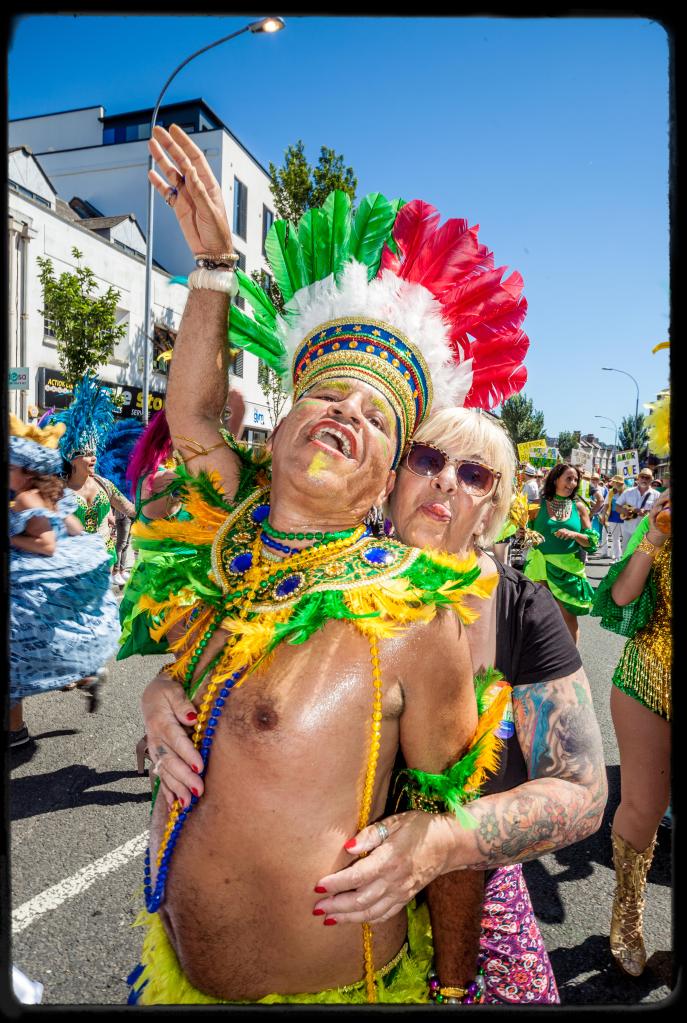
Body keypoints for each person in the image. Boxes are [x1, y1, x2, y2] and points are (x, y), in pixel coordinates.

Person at [124, 122, 531, 1005]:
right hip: (169, 978)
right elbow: (191, 421)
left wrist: (453, 990)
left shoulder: (411, 612)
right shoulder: (230, 548)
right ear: (276, 433)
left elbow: (450, 827)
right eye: (324, 396)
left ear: (384, 482)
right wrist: (213, 268)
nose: (346, 412)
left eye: (376, 418)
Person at [144, 404, 608, 1005]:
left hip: (476, 898)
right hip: (323, 925)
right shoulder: (321, 572)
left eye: (474, 475)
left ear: (492, 508)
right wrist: (167, 691)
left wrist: (443, 844)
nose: (447, 481)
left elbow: (582, 791)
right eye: (428, 460)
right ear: (391, 478)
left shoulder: (524, 611)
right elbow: (241, 686)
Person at [592, 489, 671, 975]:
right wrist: (655, 535)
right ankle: (627, 915)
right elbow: (622, 595)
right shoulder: (662, 522)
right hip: (650, 676)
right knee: (644, 806)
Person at [9, 415, 120, 741]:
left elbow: (47, 544)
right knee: (44, 646)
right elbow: (76, 529)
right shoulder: (55, 494)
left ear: (27, 471)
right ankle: (86, 676)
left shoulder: (25, 498)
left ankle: (15, 730)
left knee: (18, 655)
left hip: (31, 586)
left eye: (11, 467)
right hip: (52, 584)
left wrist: (12, 538)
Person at [523, 462, 598, 643]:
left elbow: (592, 543)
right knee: (538, 618)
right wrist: (523, 533)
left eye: (575, 480)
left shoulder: (579, 507)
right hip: (539, 568)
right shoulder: (536, 506)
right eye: (568, 478)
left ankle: (572, 657)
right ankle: (542, 655)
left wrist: (574, 535)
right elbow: (527, 534)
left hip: (567, 570)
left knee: (568, 617)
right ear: (556, 479)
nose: (572, 483)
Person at [616, 468, 660, 551]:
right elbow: (617, 507)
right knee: (626, 553)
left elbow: (659, 512)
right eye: (642, 477)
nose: (644, 479)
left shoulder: (657, 495)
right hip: (628, 530)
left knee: (641, 554)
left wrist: (648, 513)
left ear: (651, 480)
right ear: (638, 478)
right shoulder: (628, 492)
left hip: (646, 531)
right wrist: (627, 512)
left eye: (647, 477)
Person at [604, 474, 626, 562]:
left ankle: (624, 557)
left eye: (615, 482)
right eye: (613, 482)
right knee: (615, 538)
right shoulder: (611, 492)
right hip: (613, 516)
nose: (613, 483)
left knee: (625, 538)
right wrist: (604, 516)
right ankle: (617, 557)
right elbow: (606, 504)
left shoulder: (626, 492)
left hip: (624, 516)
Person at [588, 471, 608, 555]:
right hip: (590, 512)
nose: (594, 481)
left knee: (600, 531)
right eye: (592, 479)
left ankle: (598, 546)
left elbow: (606, 501)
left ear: (599, 480)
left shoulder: (603, 489)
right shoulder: (587, 487)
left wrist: (603, 512)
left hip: (600, 512)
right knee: (591, 530)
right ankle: (591, 546)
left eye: (596, 479)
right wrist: (591, 502)